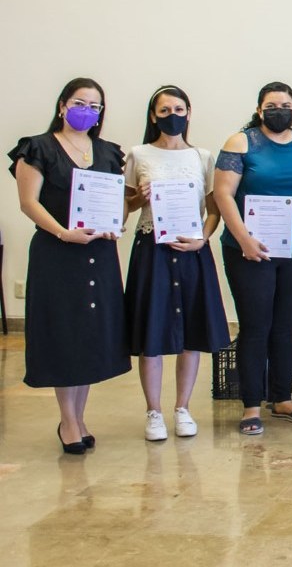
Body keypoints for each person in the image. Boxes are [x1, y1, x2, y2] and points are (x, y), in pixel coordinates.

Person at [9, 78, 130, 454]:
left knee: (90, 334)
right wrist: (63, 233)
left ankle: (78, 416)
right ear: (62, 105)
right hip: (58, 252)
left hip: (99, 255)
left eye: (95, 106)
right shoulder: (38, 147)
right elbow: (29, 202)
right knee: (65, 335)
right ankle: (68, 421)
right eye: (80, 103)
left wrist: (116, 224)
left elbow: (115, 201)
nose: (86, 111)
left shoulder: (108, 152)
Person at [123, 85, 230, 441]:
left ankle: (182, 407)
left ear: (188, 113)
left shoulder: (203, 156)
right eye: (165, 110)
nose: (173, 116)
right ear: (154, 116)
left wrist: (203, 237)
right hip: (152, 249)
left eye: (179, 109)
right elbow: (124, 207)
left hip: (191, 249)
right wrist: (138, 198)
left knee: (191, 333)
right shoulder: (138, 154)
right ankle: (153, 411)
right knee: (152, 330)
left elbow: (214, 210)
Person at [213, 81, 292, 436]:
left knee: (286, 324)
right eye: (271, 106)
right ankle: (251, 405)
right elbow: (222, 194)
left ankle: (283, 399)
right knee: (256, 325)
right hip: (249, 250)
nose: (279, 111)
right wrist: (244, 238)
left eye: (285, 105)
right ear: (259, 110)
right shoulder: (240, 143)